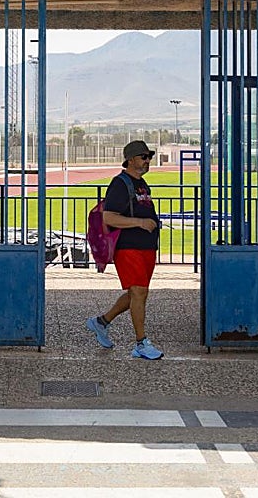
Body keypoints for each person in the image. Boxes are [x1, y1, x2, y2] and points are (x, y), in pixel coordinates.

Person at [86, 139, 163, 359]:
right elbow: (109, 217)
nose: (148, 161)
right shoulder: (120, 184)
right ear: (130, 160)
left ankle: (101, 322)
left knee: (136, 293)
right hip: (129, 247)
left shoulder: (141, 184)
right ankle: (141, 343)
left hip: (146, 247)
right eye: (144, 157)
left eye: (149, 157)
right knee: (139, 292)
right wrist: (140, 223)